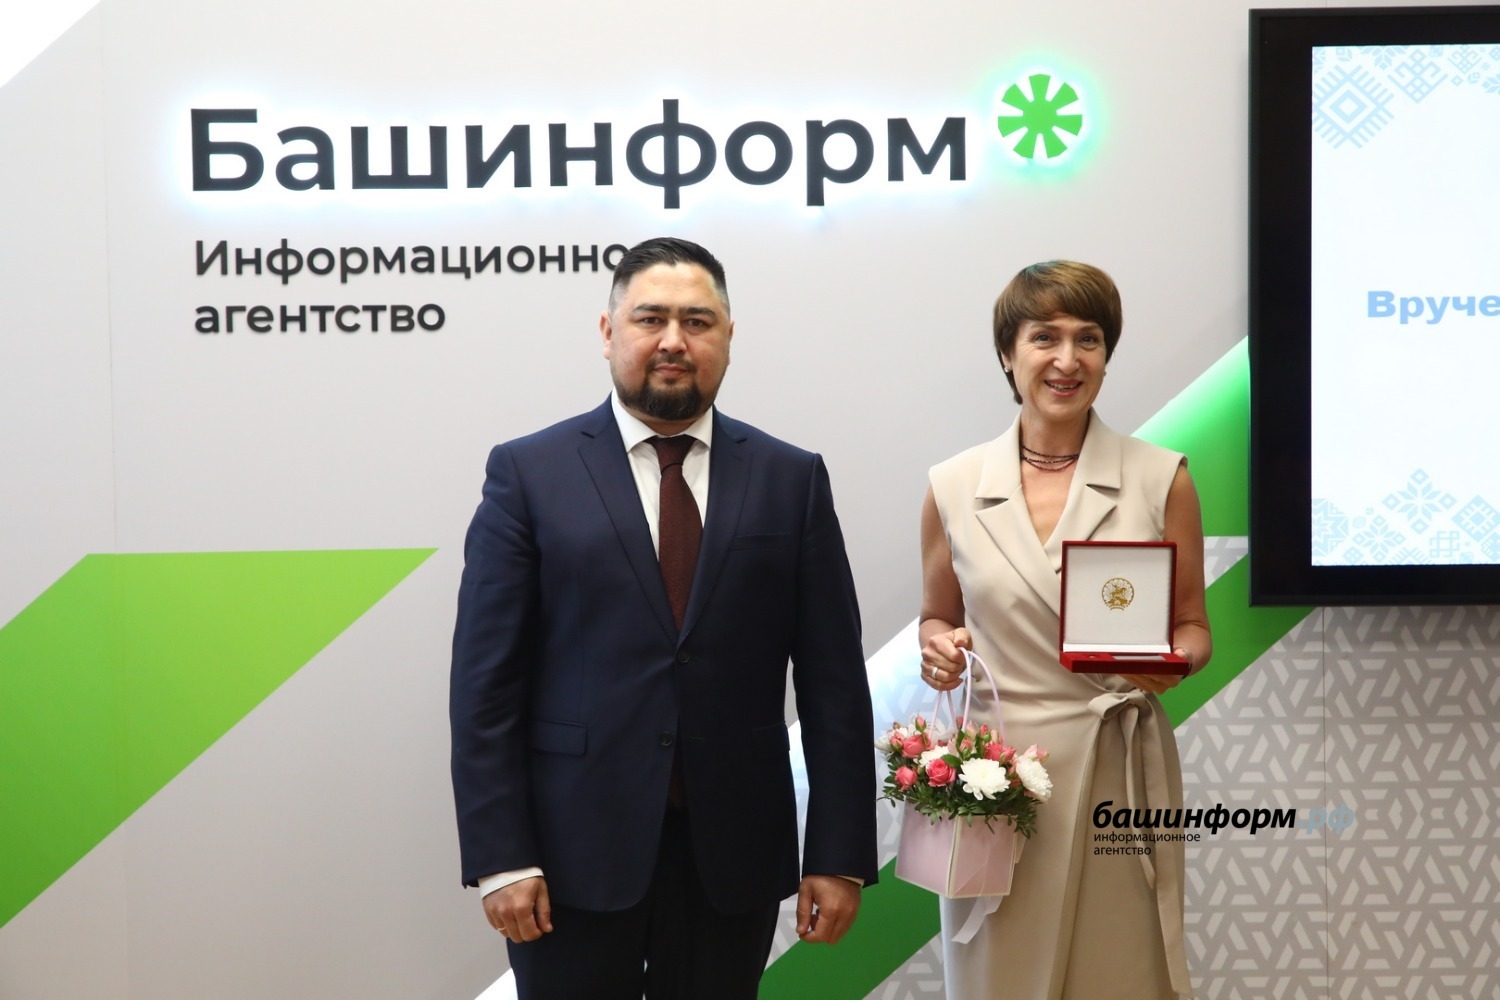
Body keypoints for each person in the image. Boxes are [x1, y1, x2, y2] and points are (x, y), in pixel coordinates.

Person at [449, 237, 878, 999]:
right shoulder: (529, 473)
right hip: (569, 857)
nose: (674, 341)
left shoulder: (791, 479)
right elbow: (486, 687)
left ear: (728, 337)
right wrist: (501, 857)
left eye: (697, 321)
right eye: (651, 319)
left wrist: (838, 853)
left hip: (733, 856)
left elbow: (835, 686)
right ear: (608, 331)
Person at [918, 261, 1211, 999]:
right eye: (1044, 337)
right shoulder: (953, 484)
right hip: (997, 778)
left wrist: (1172, 664)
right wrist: (938, 647)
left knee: (1123, 972)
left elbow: (1192, 627)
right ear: (1007, 354)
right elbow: (938, 616)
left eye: (1088, 339)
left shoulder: (1161, 477)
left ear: (1107, 355)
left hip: (1120, 767)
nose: (1067, 359)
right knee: (999, 979)